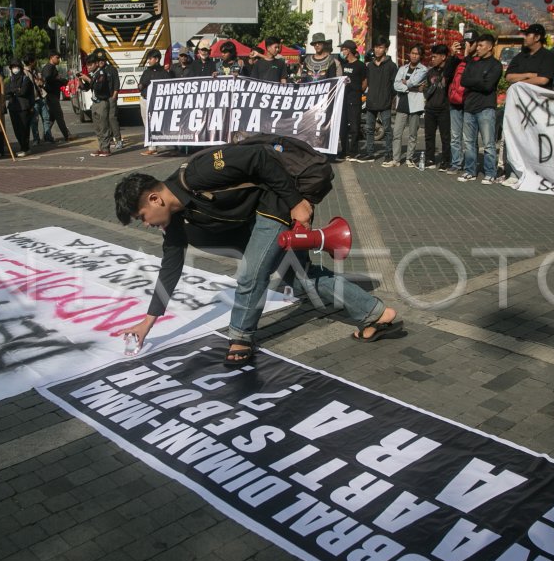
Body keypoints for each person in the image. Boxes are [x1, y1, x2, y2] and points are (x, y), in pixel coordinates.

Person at [112, 150, 403, 363]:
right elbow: (170, 268)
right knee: (302, 280)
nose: (147, 224)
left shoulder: (199, 172)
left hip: (272, 207)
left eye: (142, 217)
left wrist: (295, 202)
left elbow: (259, 157)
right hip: (254, 224)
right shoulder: (173, 220)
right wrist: (147, 322)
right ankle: (377, 314)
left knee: (251, 274)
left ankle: (240, 338)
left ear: (154, 198)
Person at [458, 33, 502, 184]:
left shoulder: (495, 65)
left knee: (488, 143)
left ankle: (490, 172)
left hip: (486, 108)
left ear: (490, 47)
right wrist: (480, 80)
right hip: (469, 107)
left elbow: (488, 85)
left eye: (481, 45)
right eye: (477, 45)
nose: (478, 48)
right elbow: (464, 81)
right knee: (469, 142)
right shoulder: (473, 63)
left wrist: (474, 82)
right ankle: (470, 170)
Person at [351, 38, 397, 163]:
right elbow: (367, 82)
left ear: (386, 49)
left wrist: (389, 98)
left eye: (381, 47)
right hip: (371, 102)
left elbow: (395, 86)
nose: (377, 50)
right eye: (376, 47)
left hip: (385, 103)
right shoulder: (369, 66)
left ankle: (389, 154)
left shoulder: (392, 66)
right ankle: (370, 153)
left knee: (387, 129)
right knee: (369, 129)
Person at [386, 45, 428, 168]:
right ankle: (396, 159)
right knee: (397, 133)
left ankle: (410, 158)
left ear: (421, 56)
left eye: (417, 53)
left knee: (412, 134)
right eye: (413, 53)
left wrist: (407, 83)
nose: (414, 55)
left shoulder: (423, 69)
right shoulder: (402, 68)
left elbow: (414, 81)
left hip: (415, 104)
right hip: (402, 103)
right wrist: (411, 87)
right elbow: (396, 85)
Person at [443, 33, 474, 174]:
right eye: (464, 43)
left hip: (469, 103)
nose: (465, 46)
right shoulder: (456, 59)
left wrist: (468, 55)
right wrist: (452, 55)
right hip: (455, 102)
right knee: (455, 136)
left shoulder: (476, 60)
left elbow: (471, 75)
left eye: (469, 43)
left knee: (469, 138)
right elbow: (447, 74)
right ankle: (456, 163)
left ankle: (470, 165)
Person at [82, 50, 120, 156]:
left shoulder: (101, 73)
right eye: (87, 65)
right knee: (97, 127)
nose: (88, 67)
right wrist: (81, 81)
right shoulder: (93, 74)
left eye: (90, 65)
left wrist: (88, 80)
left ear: (96, 64)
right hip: (95, 103)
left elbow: (99, 87)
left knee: (104, 127)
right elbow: (86, 88)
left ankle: (106, 149)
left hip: (102, 102)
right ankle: (101, 147)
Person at [422, 44, 452, 171]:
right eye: (431, 56)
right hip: (430, 109)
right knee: (429, 135)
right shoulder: (430, 72)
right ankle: (430, 159)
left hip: (444, 109)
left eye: (435, 56)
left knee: (445, 137)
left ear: (443, 57)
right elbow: (426, 88)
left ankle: (446, 160)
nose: (432, 59)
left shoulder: (449, 71)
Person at [339, 40, 368, 162]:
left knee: (355, 126)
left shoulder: (360, 65)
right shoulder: (343, 65)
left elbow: (365, 82)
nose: (342, 52)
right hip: (343, 100)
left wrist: (358, 91)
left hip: (354, 100)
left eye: (344, 49)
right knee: (342, 127)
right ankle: (344, 150)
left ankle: (354, 151)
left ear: (349, 50)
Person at [138, 49, 170, 155]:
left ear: (156, 59)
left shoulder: (164, 72)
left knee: (159, 122)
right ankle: (152, 148)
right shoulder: (146, 71)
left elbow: (168, 87)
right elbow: (140, 85)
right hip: (145, 99)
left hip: (157, 102)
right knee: (147, 123)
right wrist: (142, 85)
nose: (148, 61)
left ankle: (165, 145)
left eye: (150, 59)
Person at [506, 24, 554, 90]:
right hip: (520, 96)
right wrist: (528, 75)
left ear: (537, 37)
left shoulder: (548, 56)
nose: (525, 38)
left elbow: (543, 80)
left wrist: (519, 84)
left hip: (539, 98)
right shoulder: (520, 56)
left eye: (527, 35)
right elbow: (509, 77)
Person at [4, 59, 36, 157]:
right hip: (13, 107)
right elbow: (6, 92)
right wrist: (16, 90)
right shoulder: (10, 80)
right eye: (13, 67)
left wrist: (13, 91)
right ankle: (22, 147)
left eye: (16, 67)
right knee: (16, 129)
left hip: (24, 107)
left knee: (24, 129)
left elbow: (23, 92)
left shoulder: (25, 79)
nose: (15, 69)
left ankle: (25, 148)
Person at [40, 52, 71, 144]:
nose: (58, 59)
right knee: (59, 115)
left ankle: (46, 135)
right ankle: (67, 135)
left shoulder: (51, 67)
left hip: (53, 95)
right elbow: (48, 79)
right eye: (57, 57)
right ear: (51, 57)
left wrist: (62, 81)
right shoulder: (49, 67)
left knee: (52, 117)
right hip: (51, 95)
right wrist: (59, 79)